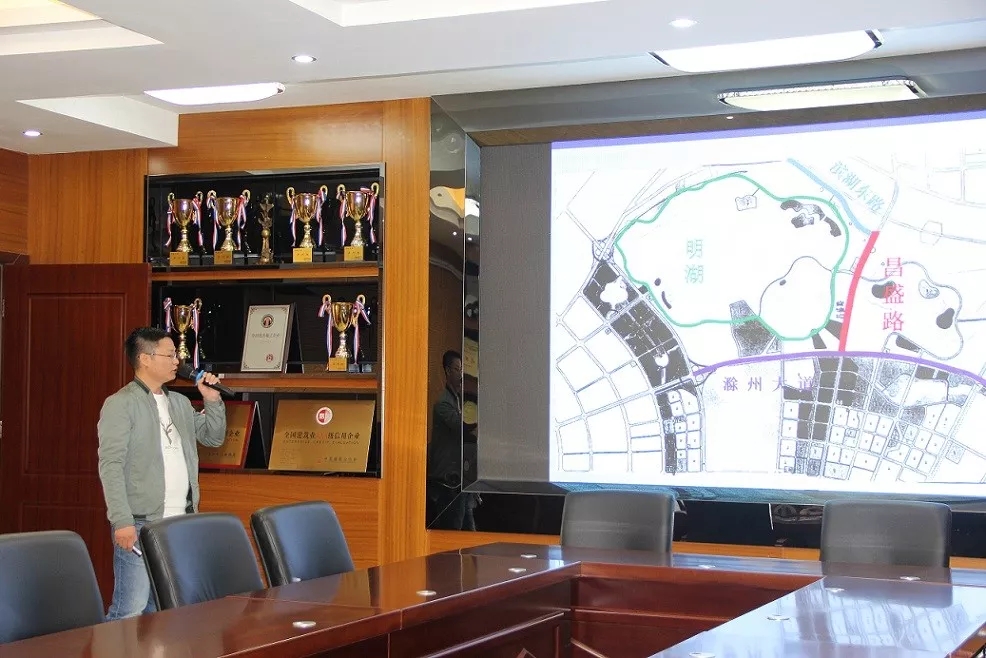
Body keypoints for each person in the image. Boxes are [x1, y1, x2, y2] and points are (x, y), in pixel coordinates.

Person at [97, 326, 226, 619]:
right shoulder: (121, 404)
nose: (176, 361)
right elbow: (111, 465)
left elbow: (213, 437)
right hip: (141, 522)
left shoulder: (178, 402)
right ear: (145, 359)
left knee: (166, 609)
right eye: (169, 355)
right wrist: (121, 520)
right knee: (129, 609)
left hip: (180, 521)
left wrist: (212, 400)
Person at [427, 349, 479, 530]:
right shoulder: (443, 403)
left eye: (462, 369)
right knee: (453, 530)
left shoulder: (457, 399)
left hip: (461, 479)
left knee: (468, 531)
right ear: (448, 371)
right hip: (448, 480)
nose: (461, 374)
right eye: (457, 369)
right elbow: (462, 427)